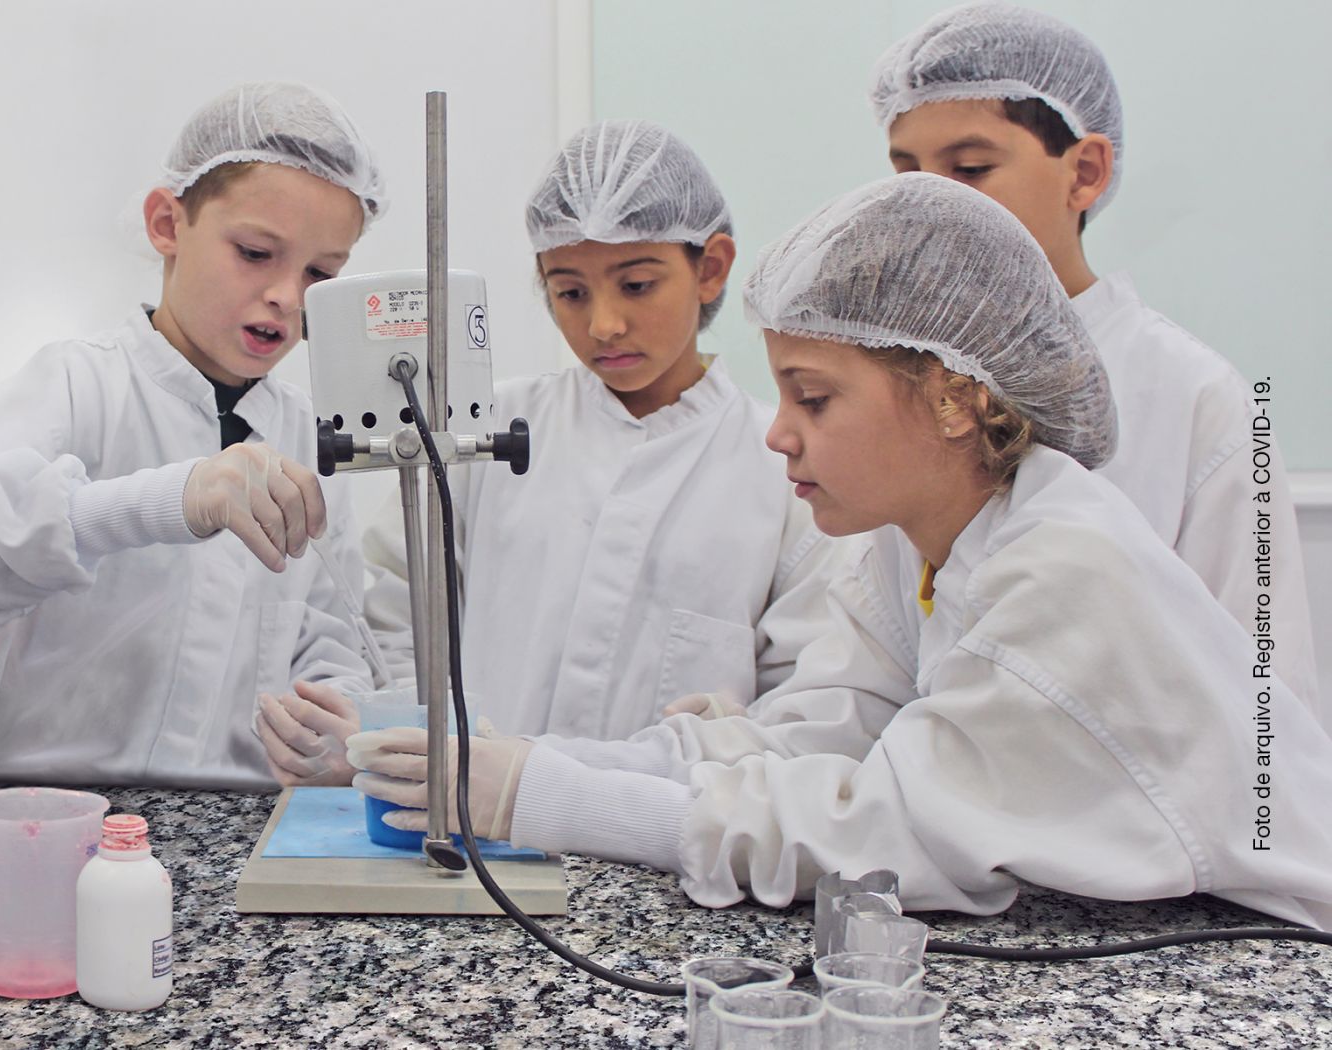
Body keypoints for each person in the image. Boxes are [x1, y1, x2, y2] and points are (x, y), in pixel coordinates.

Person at [348, 174, 1332, 931]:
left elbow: (870, 832)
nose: (778, 434)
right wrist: (525, 758)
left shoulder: (1060, 568)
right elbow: (818, 736)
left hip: (1264, 955)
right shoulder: (909, 550)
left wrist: (540, 796)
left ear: (955, 397)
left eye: (812, 399)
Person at [258, 119, 848, 786]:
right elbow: (400, 620)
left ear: (709, 269)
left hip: (665, 830)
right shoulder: (478, 429)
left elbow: (809, 698)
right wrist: (405, 741)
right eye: (570, 292)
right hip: (460, 817)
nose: (603, 324)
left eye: (637, 285)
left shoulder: (784, 472)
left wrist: (733, 732)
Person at [869, 2, 1319, 719]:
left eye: (971, 169)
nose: (929, 208)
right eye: (908, 175)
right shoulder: (899, 391)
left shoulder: (1200, 400)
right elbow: (873, 668)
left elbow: (1271, 704)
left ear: (1085, 172)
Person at [0, 82, 386, 789]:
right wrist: (161, 502)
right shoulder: (80, 384)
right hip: (39, 816)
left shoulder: (308, 435)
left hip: (232, 822)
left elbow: (329, 634)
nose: (287, 296)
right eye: (256, 252)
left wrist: (335, 716)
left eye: (320, 273)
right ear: (166, 223)